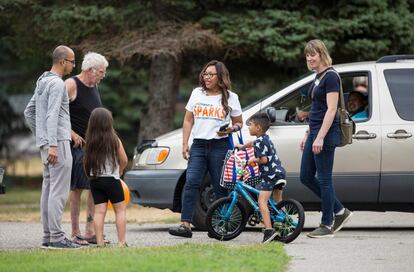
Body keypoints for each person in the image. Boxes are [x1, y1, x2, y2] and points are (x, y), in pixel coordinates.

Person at [169, 60, 243, 238]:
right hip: (199, 146)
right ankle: (185, 225)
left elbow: (239, 123)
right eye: (205, 74)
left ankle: (221, 226)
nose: (207, 77)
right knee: (191, 182)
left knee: (220, 187)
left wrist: (230, 129)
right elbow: (188, 120)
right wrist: (185, 143)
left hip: (220, 146)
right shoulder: (197, 93)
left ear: (220, 77)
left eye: (211, 74)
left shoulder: (231, 97)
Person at [24, 45, 80, 249]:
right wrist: (53, 144)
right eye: (72, 61)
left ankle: (48, 237)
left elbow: (29, 113)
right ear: (62, 61)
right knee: (58, 191)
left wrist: (43, 140)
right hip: (59, 144)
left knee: (48, 190)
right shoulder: (57, 84)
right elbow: (52, 115)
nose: (74, 65)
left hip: (46, 144)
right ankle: (57, 237)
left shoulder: (42, 81)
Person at [299, 39, 352, 238]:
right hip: (315, 132)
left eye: (313, 54)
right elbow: (317, 109)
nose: (310, 58)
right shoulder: (318, 76)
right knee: (305, 176)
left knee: (324, 179)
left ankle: (327, 223)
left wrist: (319, 137)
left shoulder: (331, 76)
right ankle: (340, 211)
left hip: (326, 134)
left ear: (322, 54)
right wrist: (308, 134)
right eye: (307, 55)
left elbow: (331, 110)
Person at [65, 52, 108, 245]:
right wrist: (71, 133)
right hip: (77, 146)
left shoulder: (94, 85)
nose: (103, 75)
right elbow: (56, 113)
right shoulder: (71, 85)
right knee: (78, 189)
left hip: (95, 146)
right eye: (101, 71)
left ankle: (90, 231)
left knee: (94, 187)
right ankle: (75, 232)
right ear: (90, 70)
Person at [235, 110, 287, 243]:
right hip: (279, 171)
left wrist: (249, 161)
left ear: (258, 127)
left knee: (261, 201)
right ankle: (285, 224)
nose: (248, 127)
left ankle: (269, 231)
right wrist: (242, 147)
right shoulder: (264, 138)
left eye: (250, 124)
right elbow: (252, 144)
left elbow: (263, 160)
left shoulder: (259, 142)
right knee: (278, 203)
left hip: (270, 174)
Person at [84, 107, 128, 247]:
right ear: (109, 123)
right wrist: (120, 170)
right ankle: (121, 243)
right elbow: (125, 160)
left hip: (95, 180)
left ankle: (99, 242)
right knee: (120, 210)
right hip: (111, 180)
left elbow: (86, 160)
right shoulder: (114, 140)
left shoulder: (90, 141)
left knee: (99, 212)